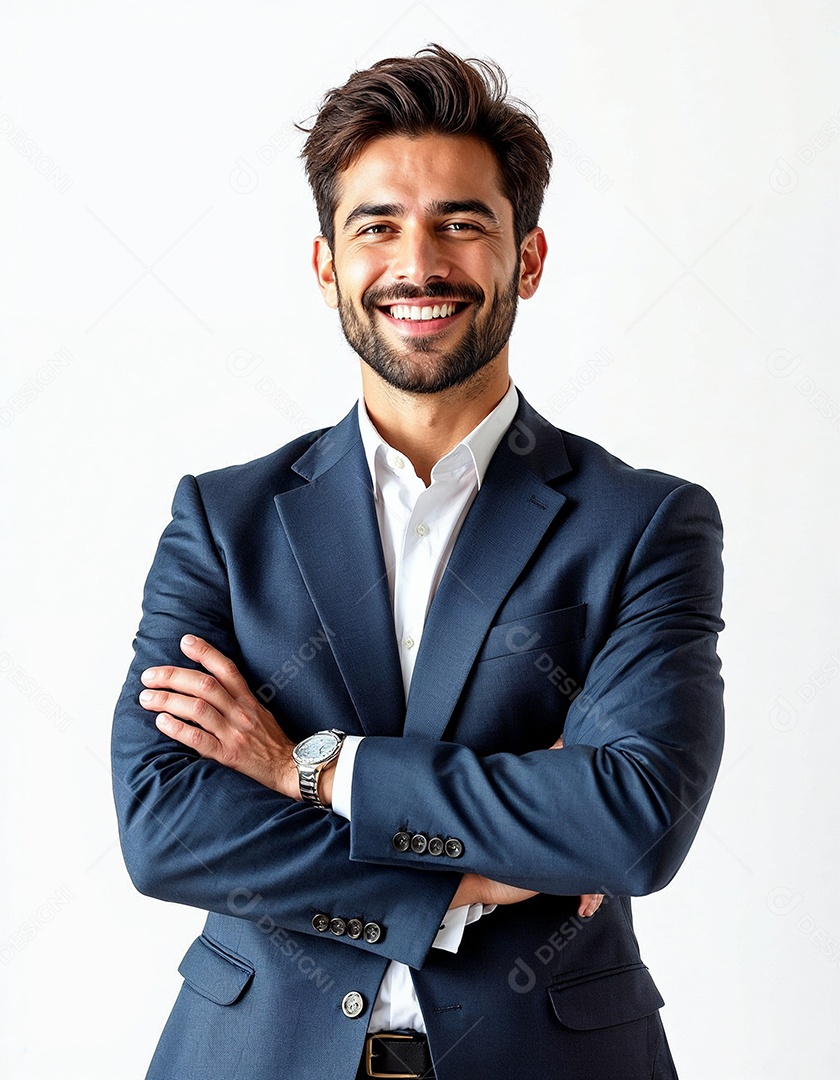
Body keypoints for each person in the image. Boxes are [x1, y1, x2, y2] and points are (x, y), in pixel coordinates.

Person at [111, 43, 724, 1080]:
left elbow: (630, 822)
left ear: (528, 258)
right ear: (328, 268)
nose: (419, 264)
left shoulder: (645, 524)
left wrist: (307, 770)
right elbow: (166, 826)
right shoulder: (223, 519)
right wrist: (468, 878)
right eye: (377, 226)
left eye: (461, 224)